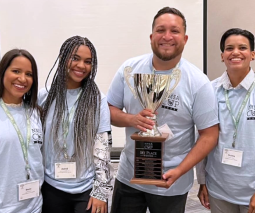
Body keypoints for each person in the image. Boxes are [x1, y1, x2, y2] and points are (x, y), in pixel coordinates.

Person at [107, 6, 219, 213]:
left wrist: (180, 171)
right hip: (129, 176)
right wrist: (131, 119)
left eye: (174, 31)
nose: (167, 36)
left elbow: (209, 135)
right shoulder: (129, 70)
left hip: (172, 182)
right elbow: (109, 110)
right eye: (160, 30)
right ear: (151, 37)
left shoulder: (198, 82)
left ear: (185, 39)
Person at [38, 36, 112, 213]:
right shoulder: (44, 97)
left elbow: (103, 148)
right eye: (75, 58)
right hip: (50, 186)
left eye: (88, 61)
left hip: (85, 190)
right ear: (63, 58)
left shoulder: (97, 100)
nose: (81, 66)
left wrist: (101, 192)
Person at [197, 28, 255, 213]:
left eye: (242, 48)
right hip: (218, 189)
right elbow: (200, 138)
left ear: (252, 54)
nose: (235, 52)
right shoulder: (209, 91)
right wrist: (202, 181)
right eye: (229, 48)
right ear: (222, 56)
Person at [0, 49, 43, 212]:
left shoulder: (35, 113)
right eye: (16, 71)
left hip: (34, 206)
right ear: (3, 72)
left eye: (29, 74)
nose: (22, 79)